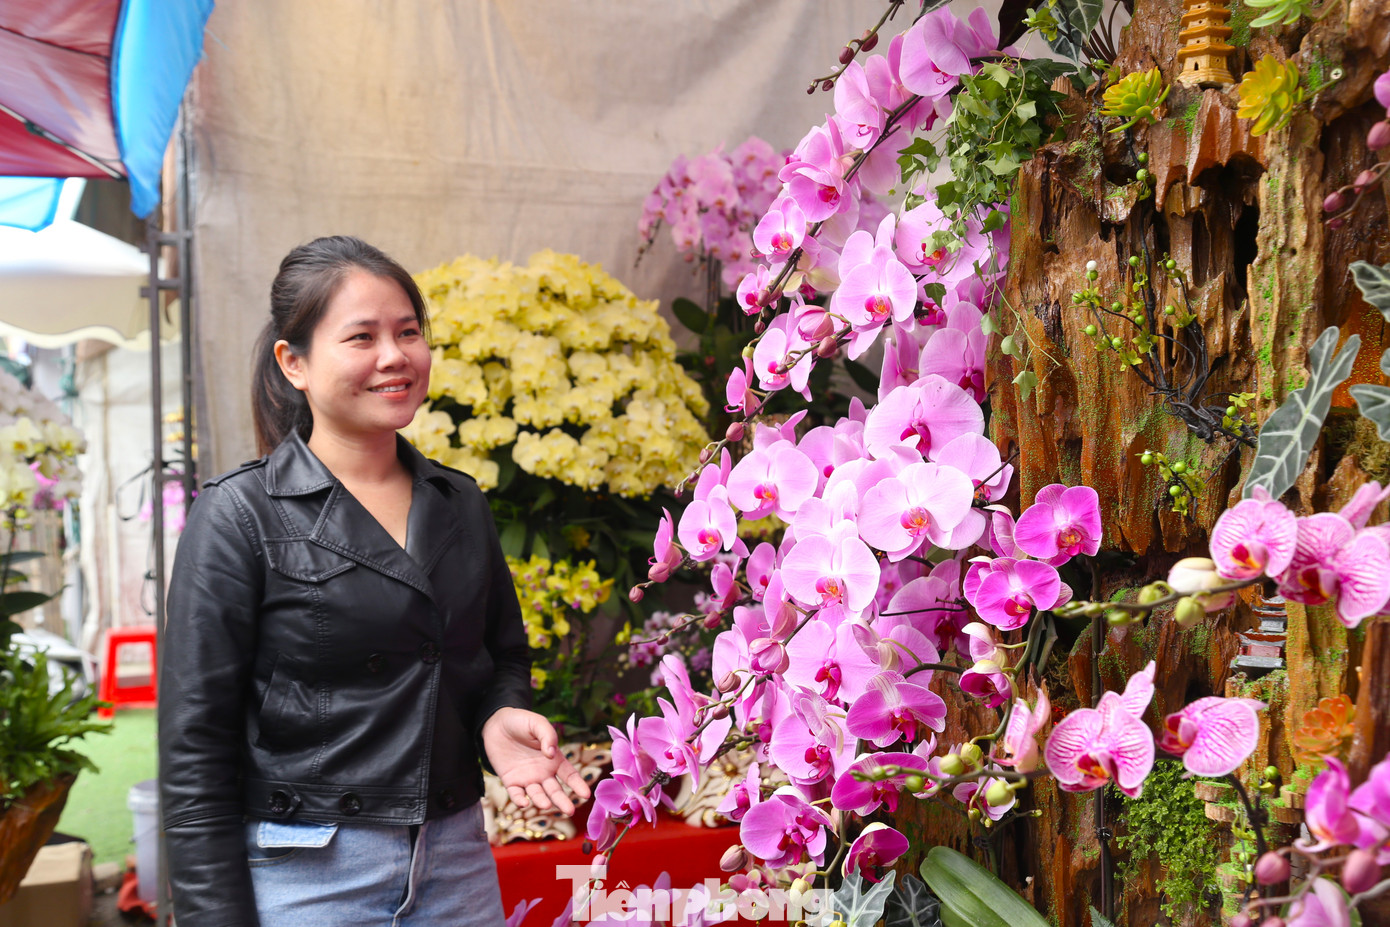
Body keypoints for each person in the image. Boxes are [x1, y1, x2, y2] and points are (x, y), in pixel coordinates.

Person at [158, 236, 590, 927]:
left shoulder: (459, 502)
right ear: (292, 362)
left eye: (409, 332)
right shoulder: (240, 514)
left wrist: (498, 716)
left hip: (454, 860)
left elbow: (501, 655)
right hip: (307, 871)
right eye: (362, 336)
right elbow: (194, 752)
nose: (395, 356)